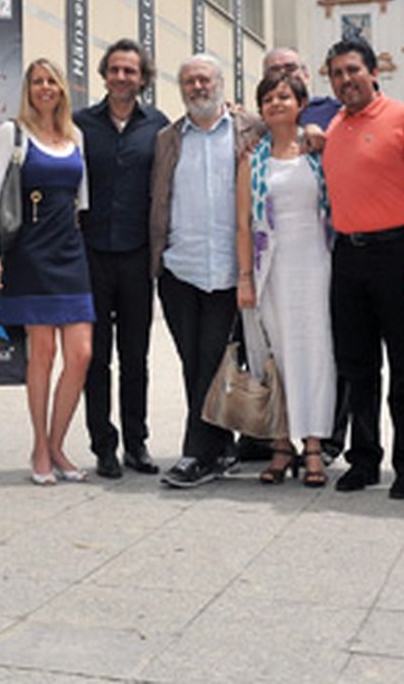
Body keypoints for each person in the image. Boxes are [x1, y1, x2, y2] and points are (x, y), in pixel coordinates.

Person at [319, 36, 404, 499]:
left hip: (398, 252)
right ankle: (364, 459)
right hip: (347, 256)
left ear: (373, 71)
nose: (345, 80)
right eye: (337, 74)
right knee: (357, 367)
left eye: (353, 70)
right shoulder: (334, 128)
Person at [149, 54, 265, 488]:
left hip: (229, 272)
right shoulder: (167, 138)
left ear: (220, 83)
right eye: (189, 81)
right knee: (192, 362)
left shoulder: (250, 129)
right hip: (179, 269)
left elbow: (290, 134)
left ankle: (196, 454)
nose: (198, 87)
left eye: (205, 79)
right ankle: (221, 448)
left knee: (212, 363)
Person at [0, 59, 95, 485]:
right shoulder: (12, 132)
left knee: (81, 354)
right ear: (27, 89)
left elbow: (83, 200)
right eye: (37, 82)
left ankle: (58, 442)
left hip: (70, 251)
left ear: (62, 88)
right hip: (30, 253)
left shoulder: (75, 136)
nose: (45, 88)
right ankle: (40, 449)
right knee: (42, 353)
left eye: (51, 81)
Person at [71, 39, 167, 479]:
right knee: (96, 357)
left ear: (143, 78)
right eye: (114, 70)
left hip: (137, 256)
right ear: (104, 75)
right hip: (91, 254)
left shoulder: (158, 126)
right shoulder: (80, 124)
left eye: (130, 71)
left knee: (135, 356)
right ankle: (103, 445)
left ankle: (136, 443)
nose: (122, 77)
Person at [237, 71, 335, 487]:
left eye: (284, 96)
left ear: (301, 104)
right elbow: (243, 224)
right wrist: (245, 278)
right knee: (273, 354)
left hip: (315, 265)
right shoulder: (252, 160)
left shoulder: (318, 152)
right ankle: (281, 443)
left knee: (315, 353)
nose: (276, 103)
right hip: (270, 269)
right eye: (268, 99)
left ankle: (313, 445)